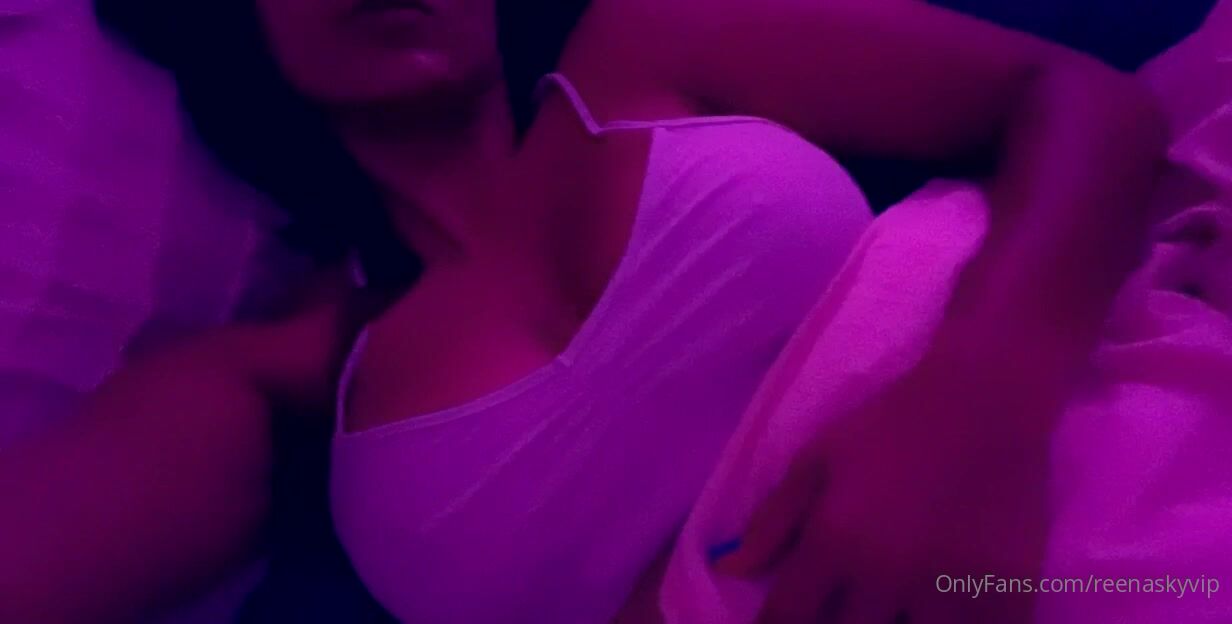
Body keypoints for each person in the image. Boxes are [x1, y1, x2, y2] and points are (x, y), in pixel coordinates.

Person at [0, 0, 1167, 622]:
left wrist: (979, 403)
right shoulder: (295, 365)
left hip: (1122, 513)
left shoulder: (641, 44)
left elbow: (1079, 99)